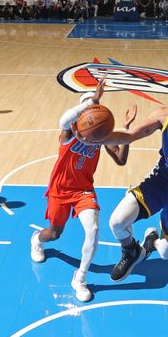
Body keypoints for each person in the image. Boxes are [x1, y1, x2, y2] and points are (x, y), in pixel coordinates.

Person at [80, 70, 168, 282]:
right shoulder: (163, 114)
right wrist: (98, 139)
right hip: (160, 182)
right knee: (116, 222)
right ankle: (132, 251)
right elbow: (129, 136)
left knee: (164, 253)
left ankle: (150, 243)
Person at [31, 78, 136, 302]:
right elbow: (64, 119)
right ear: (81, 115)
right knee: (54, 234)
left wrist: (125, 129)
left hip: (83, 191)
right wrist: (93, 101)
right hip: (60, 190)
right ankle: (36, 240)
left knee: (93, 229)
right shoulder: (67, 134)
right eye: (87, 111)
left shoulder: (100, 136)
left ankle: (80, 278)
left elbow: (120, 159)